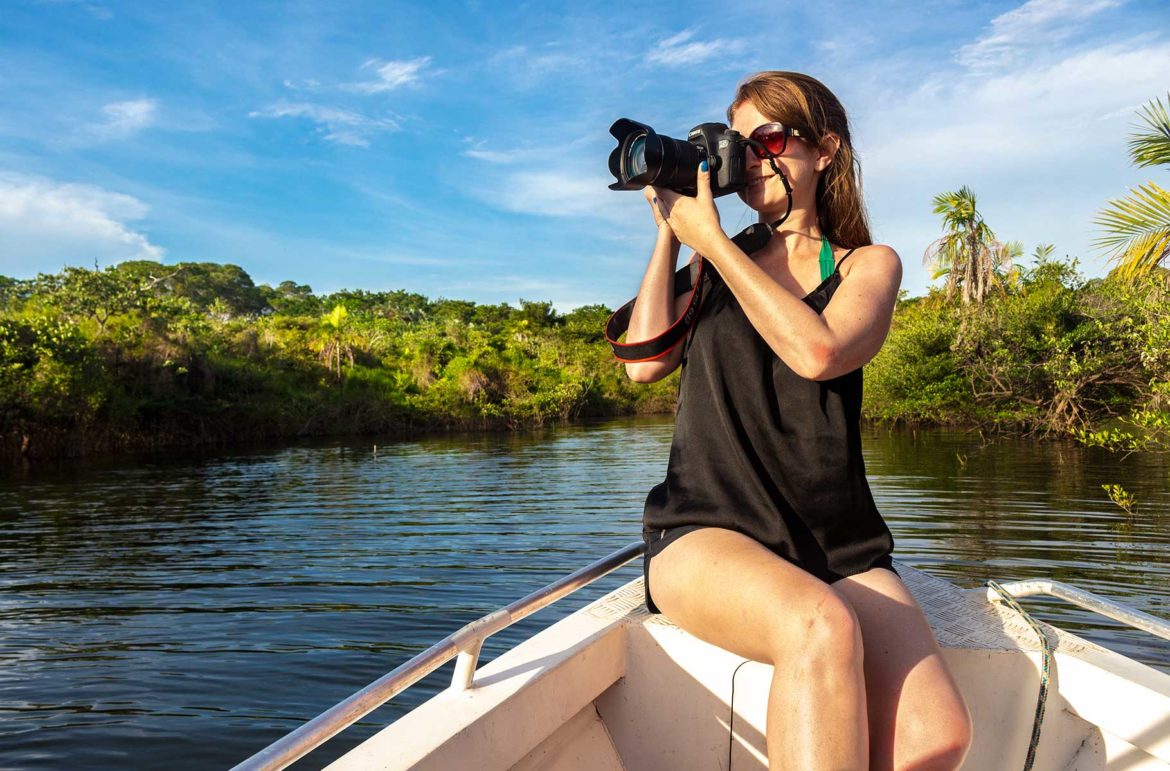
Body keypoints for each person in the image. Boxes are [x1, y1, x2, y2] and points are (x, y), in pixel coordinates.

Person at [625, 71, 974, 770]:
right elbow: (642, 363)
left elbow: (821, 351)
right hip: (706, 528)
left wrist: (718, 245)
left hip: (834, 544)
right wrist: (674, 234)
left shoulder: (867, 266)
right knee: (817, 627)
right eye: (742, 145)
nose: (754, 159)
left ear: (826, 151)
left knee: (936, 736)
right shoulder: (716, 269)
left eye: (772, 140)